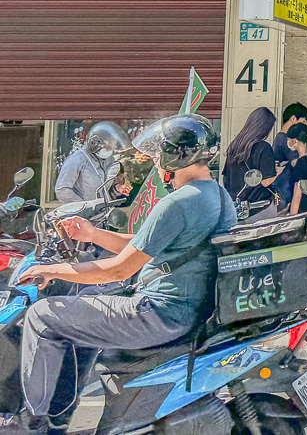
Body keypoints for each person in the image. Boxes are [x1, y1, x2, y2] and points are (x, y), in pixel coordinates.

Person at [4, 115, 236, 435]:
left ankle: (32, 422)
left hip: (158, 313)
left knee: (43, 315)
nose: (154, 163)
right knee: (85, 304)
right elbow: (145, 247)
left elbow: (120, 268)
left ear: (174, 155)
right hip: (188, 310)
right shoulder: (217, 196)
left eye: (157, 156)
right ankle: (61, 416)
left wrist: (50, 270)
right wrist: (94, 234)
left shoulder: (178, 202)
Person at [221, 107, 279, 219]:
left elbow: (226, 177)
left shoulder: (234, 146)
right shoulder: (264, 147)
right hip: (258, 207)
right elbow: (266, 181)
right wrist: (278, 172)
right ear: (265, 128)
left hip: (236, 207)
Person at [55, 122, 129, 203]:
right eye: (107, 147)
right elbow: (62, 190)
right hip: (80, 214)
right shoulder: (77, 159)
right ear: (95, 144)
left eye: (111, 148)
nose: (109, 151)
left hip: (102, 212)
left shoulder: (109, 160)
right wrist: (84, 206)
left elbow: (105, 189)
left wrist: (117, 188)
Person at [271, 102, 307, 211]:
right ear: (293, 118)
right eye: (302, 122)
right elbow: (296, 163)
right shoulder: (285, 139)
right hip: (286, 192)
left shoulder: (279, 137)